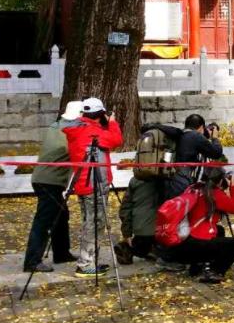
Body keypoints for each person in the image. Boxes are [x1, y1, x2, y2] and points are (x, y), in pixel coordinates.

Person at [63, 97, 123, 278]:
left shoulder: (77, 129)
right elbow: (116, 140)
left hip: (83, 183)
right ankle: (85, 263)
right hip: (94, 184)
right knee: (94, 224)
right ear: (100, 115)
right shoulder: (93, 131)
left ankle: (90, 260)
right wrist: (112, 123)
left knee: (90, 222)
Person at [22, 101, 83, 273]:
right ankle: (32, 261)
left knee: (61, 214)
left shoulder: (55, 127)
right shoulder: (69, 133)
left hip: (44, 179)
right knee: (43, 221)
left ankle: (61, 252)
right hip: (49, 181)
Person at [163, 166, 234, 283]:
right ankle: (215, 271)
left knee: (219, 230)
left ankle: (197, 266)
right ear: (220, 180)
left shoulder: (193, 189)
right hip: (196, 246)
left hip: (181, 242)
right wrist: (233, 187)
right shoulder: (214, 194)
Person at [163, 114, 224, 200]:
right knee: (182, 209)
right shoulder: (196, 136)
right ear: (201, 127)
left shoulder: (180, 134)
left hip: (168, 177)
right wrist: (215, 138)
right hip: (182, 180)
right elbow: (216, 153)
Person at [115, 177, 161, 265]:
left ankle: (134, 248)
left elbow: (125, 208)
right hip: (161, 230)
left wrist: (127, 233)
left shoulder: (135, 179)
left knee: (143, 244)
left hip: (142, 230)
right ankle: (146, 249)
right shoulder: (167, 178)